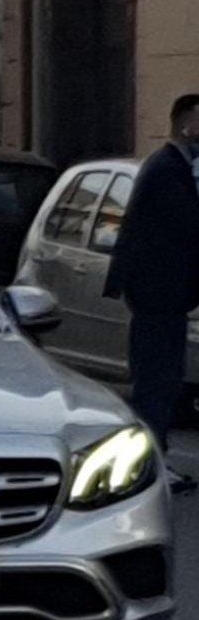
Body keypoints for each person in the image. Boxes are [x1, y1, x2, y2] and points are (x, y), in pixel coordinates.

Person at [104, 94, 199, 466]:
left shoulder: (172, 167)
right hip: (157, 295)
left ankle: (154, 460)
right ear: (189, 125)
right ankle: (148, 465)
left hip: (164, 296)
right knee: (156, 386)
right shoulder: (166, 169)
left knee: (164, 383)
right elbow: (188, 226)